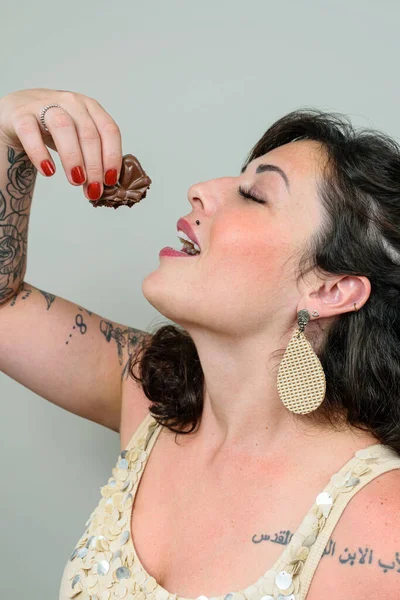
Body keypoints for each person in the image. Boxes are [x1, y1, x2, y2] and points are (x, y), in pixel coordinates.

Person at [0, 89, 399, 600]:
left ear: (330, 289)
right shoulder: (149, 390)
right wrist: (12, 140)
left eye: (254, 195)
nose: (200, 191)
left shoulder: (382, 530)